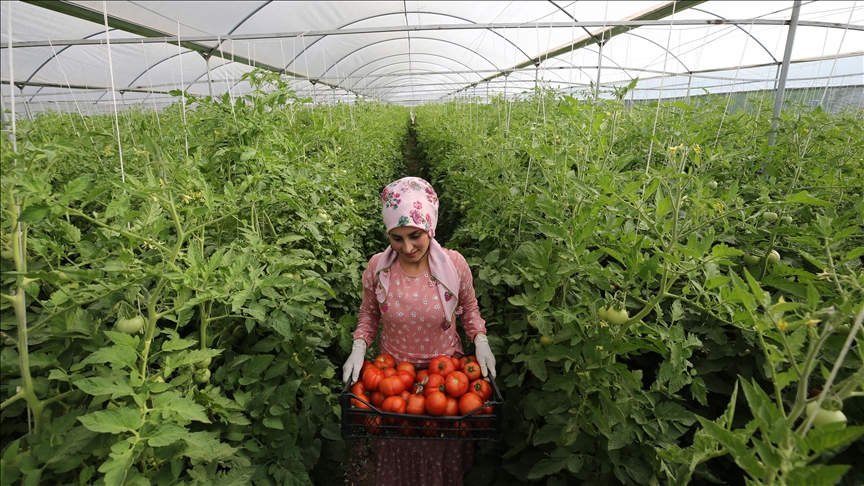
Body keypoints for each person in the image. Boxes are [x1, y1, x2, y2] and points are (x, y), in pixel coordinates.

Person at [342, 176, 496, 486]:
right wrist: (358, 346)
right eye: (396, 239)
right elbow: (369, 314)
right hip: (392, 379)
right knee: (399, 445)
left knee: (440, 448)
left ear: (430, 227)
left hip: (448, 378)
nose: (407, 247)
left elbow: (470, 309)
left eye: (415, 236)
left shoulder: (454, 266)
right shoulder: (378, 268)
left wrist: (480, 340)